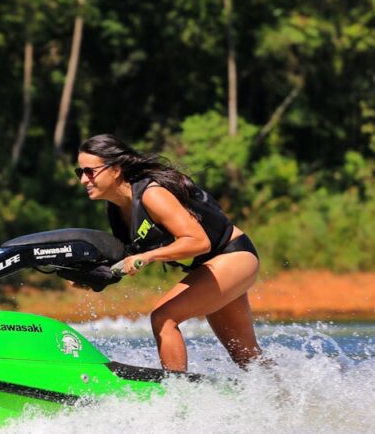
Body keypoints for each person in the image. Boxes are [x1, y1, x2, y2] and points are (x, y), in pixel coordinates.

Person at [73, 133, 262, 372]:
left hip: (232, 256)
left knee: (163, 317)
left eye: (90, 171)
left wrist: (148, 256)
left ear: (116, 169)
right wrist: (89, 276)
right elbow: (125, 257)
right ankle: (283, 401)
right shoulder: (117, 209)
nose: (83, 180)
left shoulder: (152, 195)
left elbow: (198, 241)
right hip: (211, 267)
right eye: (80, 173)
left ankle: (176, 396)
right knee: (246, 357)